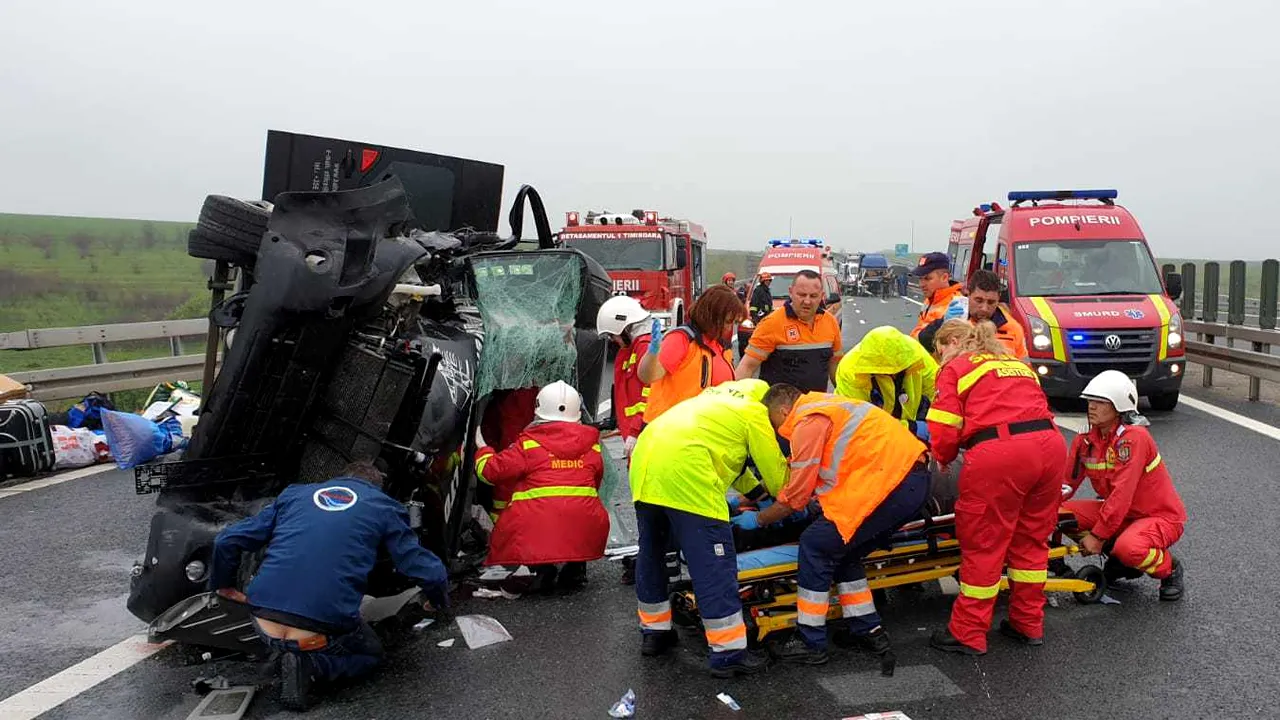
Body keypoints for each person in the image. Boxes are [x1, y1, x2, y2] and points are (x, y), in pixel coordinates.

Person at [210, 460, 449, 710]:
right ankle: (313, 666)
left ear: (340, 478)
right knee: (371, 655)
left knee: (294, 620)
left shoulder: (295, 494)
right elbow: (429, 571)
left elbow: (226, 541)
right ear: (377, 486)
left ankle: (287, 653)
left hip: (263, 620)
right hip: (321, 628)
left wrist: (224, 586)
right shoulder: (383, 506)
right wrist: (437, 601)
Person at [736, 384, 930, 665]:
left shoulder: (807, 421)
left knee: (816, 544)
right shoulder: (831, 406)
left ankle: (811, 642)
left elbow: (796, 497)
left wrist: (758, 518)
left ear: (783, 410)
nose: (776, 430)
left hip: (887, 488)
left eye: (774, 422)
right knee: (844, 549)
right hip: (912, 482)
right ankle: (868, 630)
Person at [925, 319, 1067, 655]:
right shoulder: (1017, 364)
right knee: (1031, 541)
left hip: (1001, 453)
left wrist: (942, 459)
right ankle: (1027, 623)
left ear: (953, 342)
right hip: (1049, 447)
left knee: (985, 545)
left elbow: (943, 429)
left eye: (938, 349)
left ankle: (968, 633)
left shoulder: (956, 368)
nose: (938, 356)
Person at [629, 379, 789, 677]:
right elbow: (778, 476)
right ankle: (729, 654)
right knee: (713, 564)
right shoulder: (753, 411)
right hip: (687, 474)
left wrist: (756, 495)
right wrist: (791, 500)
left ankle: (655, 632)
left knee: (653, 554)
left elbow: (734, 461)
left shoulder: (709, 403)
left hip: (646, 466)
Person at [474, 381, 608, 593]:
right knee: (578, 508)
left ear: (538, 410)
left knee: (528, 515)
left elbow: (490, 472)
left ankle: (543, 568)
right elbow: (595, 484)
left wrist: (483, 450)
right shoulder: (592, 445)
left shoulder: (528, 444)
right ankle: (574, 568)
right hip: (588, 527)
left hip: (537, 530)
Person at [1063, 370, 1186, 600]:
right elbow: (1066, 484)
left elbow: (1122, 494)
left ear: (1119, 406)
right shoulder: (1085, 441)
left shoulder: (1134, 439)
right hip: (1121, 515)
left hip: (1158, 516)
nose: (1092, 407)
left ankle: (1169, 569)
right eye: (1090, 401)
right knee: (1058, 514)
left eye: (1100, 402)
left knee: (1130, 548)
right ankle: (1121, 561)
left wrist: (1097, 537)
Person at [639, 284, 744, 424]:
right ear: (711, 315)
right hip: (670, 428)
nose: (729, 328)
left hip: (701, 427)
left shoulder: (720, 346)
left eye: (733, 323)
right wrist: (652, 353)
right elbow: (648, 376)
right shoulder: (682, 339)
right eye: (727, 322)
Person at [736, 269, 843, 392]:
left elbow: (835, 365)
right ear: (791, 292)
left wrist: (844, 398)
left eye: (813, 296)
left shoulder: (830, 322)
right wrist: (737, 400)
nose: (807, 301)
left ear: (822, 296)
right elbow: (747, 367)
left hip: (815, 407)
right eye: (802, 295)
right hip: (781, 409)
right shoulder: (771, 323)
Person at [833, 325, 937, 442]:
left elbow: (936, 389)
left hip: (905, 425)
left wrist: (933, 419)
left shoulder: (913, 354)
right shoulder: (851, 370)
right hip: (867, 438)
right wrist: (911, 428)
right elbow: (862, 424)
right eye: (888, 372)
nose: (894, 376)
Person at [918, 270, 1027, 360]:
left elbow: (1023, 366)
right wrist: (942, 323)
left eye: (991, 302)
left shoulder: (1012, 328)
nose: (984, 308)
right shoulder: (951, 317)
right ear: (968, 294)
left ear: (998, 298)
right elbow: (923, 343)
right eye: (979, 301)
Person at [596, 295, 654, 458]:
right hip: (637, 433)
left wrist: (635, 431)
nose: (614, 340)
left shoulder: (645, 349)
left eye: (613, 335)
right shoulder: (631, 350)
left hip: (644, 433)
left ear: (624, 327)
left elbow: (650, 394)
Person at [910, 252, 965, 339]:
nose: (921, 284)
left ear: (944, 277)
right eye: (920, 279)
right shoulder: (930, 299)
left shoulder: (956, 304)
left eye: (927, 278)